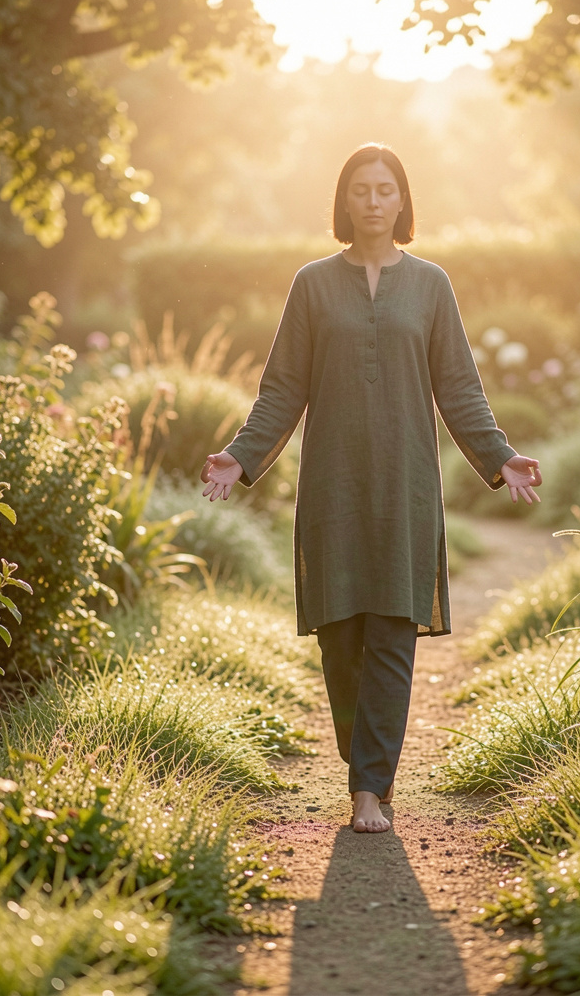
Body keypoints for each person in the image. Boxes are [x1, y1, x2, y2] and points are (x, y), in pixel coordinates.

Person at [200, 143, 542, 833]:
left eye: (386, 188)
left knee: (391, 629)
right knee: (340, 633)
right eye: (363, 189)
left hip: (407, 481)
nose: (375, 200)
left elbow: (459, 386)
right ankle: (365, 766)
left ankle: (368, 785)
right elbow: (283, 387)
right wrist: (241, 456)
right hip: (333, 482)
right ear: (346, 200)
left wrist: (500, 456)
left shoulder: (433, 286)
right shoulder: (312, 284)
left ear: (403, 200)